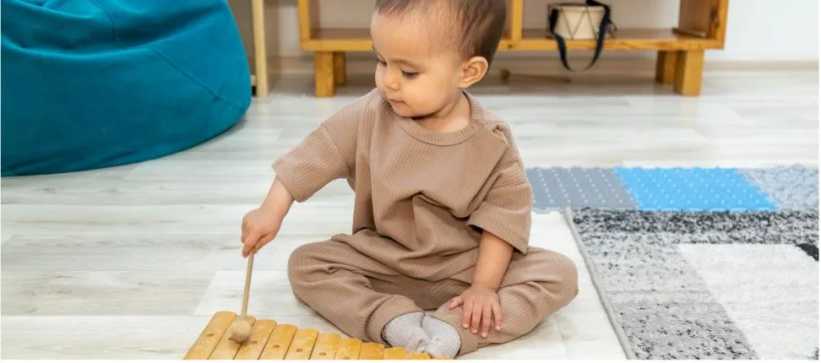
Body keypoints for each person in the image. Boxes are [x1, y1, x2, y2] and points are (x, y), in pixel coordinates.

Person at [240, 0, 578, 358]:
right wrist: (271, 210)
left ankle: (455, 328)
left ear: (468, 72)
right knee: (306, 264)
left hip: (465, 265)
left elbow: (504, 220)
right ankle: (393, 320)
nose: (388, 81)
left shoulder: (492, 141)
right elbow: (315, 153)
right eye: (381, 61)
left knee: (558, 274)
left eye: (409, 72)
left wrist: (483, 287)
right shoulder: (370, 113)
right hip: (384, 259)